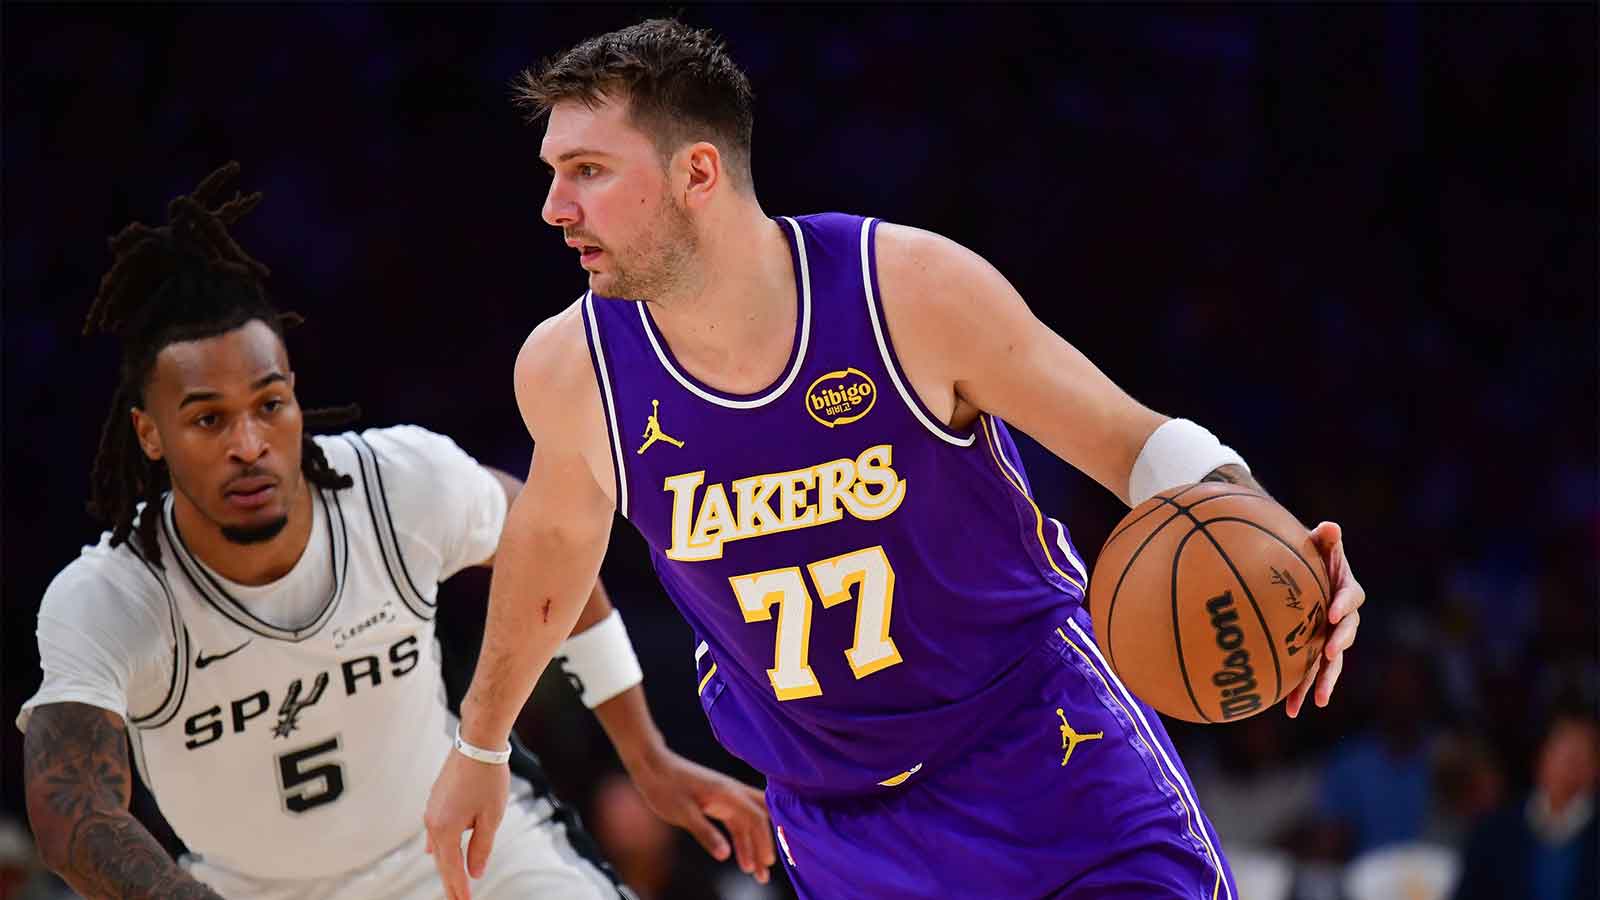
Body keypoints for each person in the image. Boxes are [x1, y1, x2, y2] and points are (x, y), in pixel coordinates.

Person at [425, 19, 1365, 900]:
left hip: (1049, 756)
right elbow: (551, 547)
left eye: (586, 170)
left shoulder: (906, 291)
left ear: (696, 173)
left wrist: (1267, 528)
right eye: (554, 172)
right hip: (844, 823)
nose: (555, 207)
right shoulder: (570, 369)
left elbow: (1136, 443)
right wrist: (481, 747)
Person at [18, 163, 772, 899]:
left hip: (459, 846)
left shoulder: (395, 485)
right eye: (209, 419)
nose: (248, 443)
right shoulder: (114, 593)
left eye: (269, 405)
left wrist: (647, 758)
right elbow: (70, 815)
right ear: (151, 436)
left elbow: (555, 550)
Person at [1453, 712, 1599, 900]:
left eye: (1583, 757)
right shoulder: (1494, 833)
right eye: (1565, 755)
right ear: (1540, 758)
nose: (1572, 768)